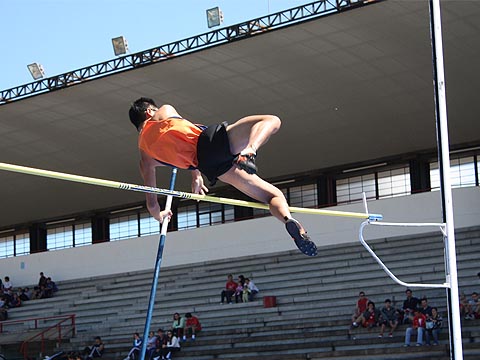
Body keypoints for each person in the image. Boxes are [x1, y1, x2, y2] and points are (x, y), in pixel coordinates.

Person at [128, 98, 317, 257]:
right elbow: (187, 131)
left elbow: (152, 203)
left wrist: (160, 216)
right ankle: (250, 150)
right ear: (148, 111)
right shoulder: (163, 111)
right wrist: (195, 176)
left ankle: (289, 221)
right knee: (271, 121)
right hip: (210, 141)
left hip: (210, 165)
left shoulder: (145, 158)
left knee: (272, 196)